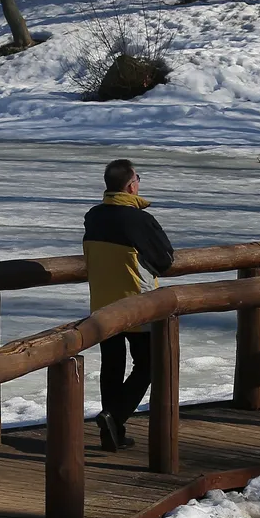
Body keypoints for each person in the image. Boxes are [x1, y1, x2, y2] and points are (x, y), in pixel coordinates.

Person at [83, 159, 174, 452]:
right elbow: (165, 260)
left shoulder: (93, 217)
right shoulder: (139, 220)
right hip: (137, 302)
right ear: (131, 185)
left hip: (102, 304)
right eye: (138, 178)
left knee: (112, 366)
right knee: (149, 364)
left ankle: (113, 434)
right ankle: (115, 415)